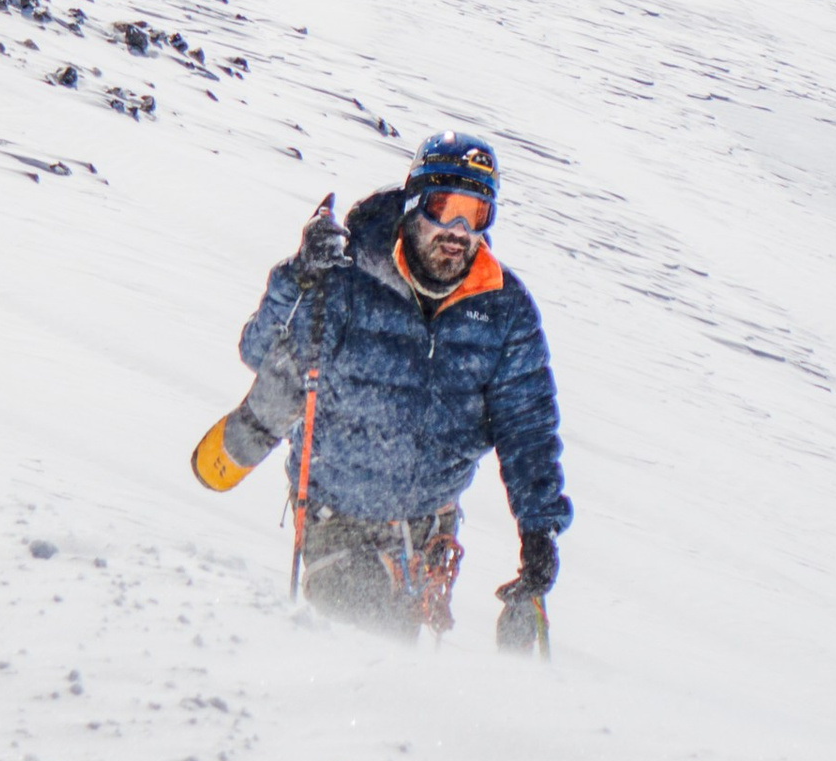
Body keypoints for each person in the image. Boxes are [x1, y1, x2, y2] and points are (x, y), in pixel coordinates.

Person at [192, 129, 569, 649]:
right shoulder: (346, 278)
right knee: (361, 648)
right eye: (445, 208)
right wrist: (298, 278)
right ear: (414, 204)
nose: (458, 231)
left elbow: (528, 427)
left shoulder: (504, 310)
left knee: (389, 661)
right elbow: (259, 353)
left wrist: (538, 529)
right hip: (339, 520)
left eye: (476, 214)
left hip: (427, 536)